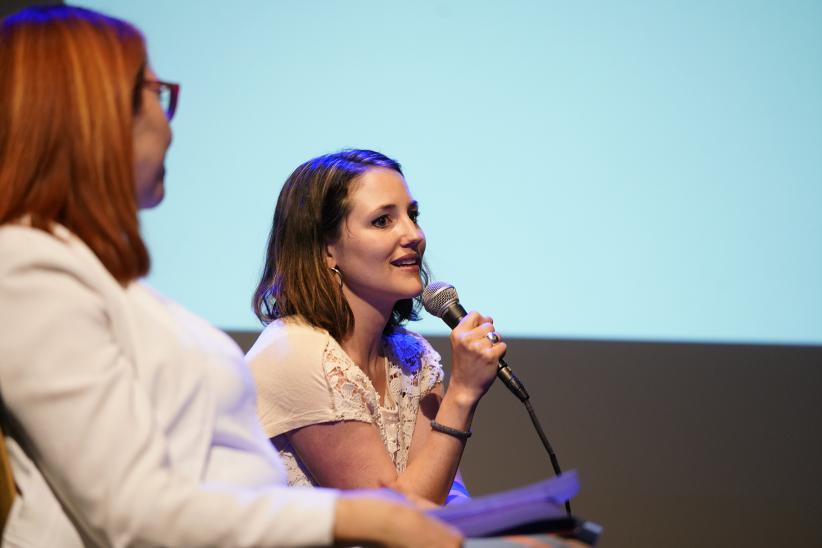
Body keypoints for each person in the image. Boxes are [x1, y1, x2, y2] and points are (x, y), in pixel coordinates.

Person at [0, 6, 460, 547]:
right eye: (155, 93)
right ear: (94, 114)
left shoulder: (105, 283)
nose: (169, 124)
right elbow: (130, 511)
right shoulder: (26, 269)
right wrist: (351, 518)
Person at [247, 149, 506, 506]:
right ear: (326, 250)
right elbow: (394, 522)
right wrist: (462, 394)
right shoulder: (296, 355)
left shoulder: (412, 358)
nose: (413, 234)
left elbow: (443, 494)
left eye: (412, 215)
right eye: (383, 221)